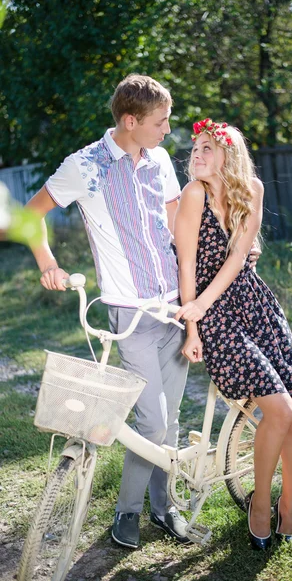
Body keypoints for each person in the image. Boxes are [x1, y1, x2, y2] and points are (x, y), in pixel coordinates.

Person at [25, 74, 192, 549]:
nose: (167, 130)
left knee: (172, 415)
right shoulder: (86, 165)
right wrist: (48, 263)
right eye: (160, 122)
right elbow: (30, 214)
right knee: (151, 422)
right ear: (130, 120)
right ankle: (128, 512)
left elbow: (179, 227)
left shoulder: (159, 160)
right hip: (130, 315)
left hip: (174, 309)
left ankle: (164, 507)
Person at [174, 119, 292, 549]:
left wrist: (202, 300)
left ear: (229, 155)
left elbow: (238, 258)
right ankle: (259, 503)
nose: (196, 155)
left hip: (254, 302)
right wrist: (193, 321)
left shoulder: (251, 188)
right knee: (281, 411)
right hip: (217, 318)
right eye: (194, 148)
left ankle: (289, 506)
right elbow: (186, 265)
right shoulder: (193, 195)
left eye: (207, 148)